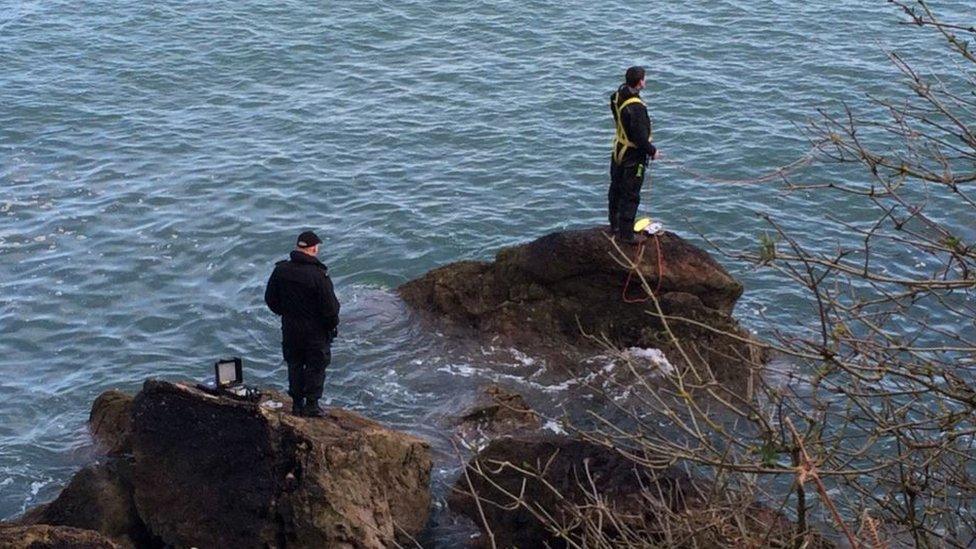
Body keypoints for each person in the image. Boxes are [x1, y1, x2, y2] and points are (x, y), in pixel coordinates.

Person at [264, 230, 340, 417]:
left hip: (290, 327)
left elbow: (270, 299)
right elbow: (330, 308)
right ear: (313, 249)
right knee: (316, 364)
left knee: (295, 363)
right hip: (315, 330)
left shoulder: (281, 270)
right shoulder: (319, 276)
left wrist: (286, 314)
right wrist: (331, 325)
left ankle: (297, 404)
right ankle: (312, 405)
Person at [609, 65, 658, 244]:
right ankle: (627, 235)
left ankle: (614, 225)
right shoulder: (637, 108)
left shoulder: (616, 97)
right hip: (633, 156)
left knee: (615, 188)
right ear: (639, 83)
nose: (645, 81)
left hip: (618, 151)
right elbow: (640, 138)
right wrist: (653, 151)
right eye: (644, 79)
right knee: (631, 194)